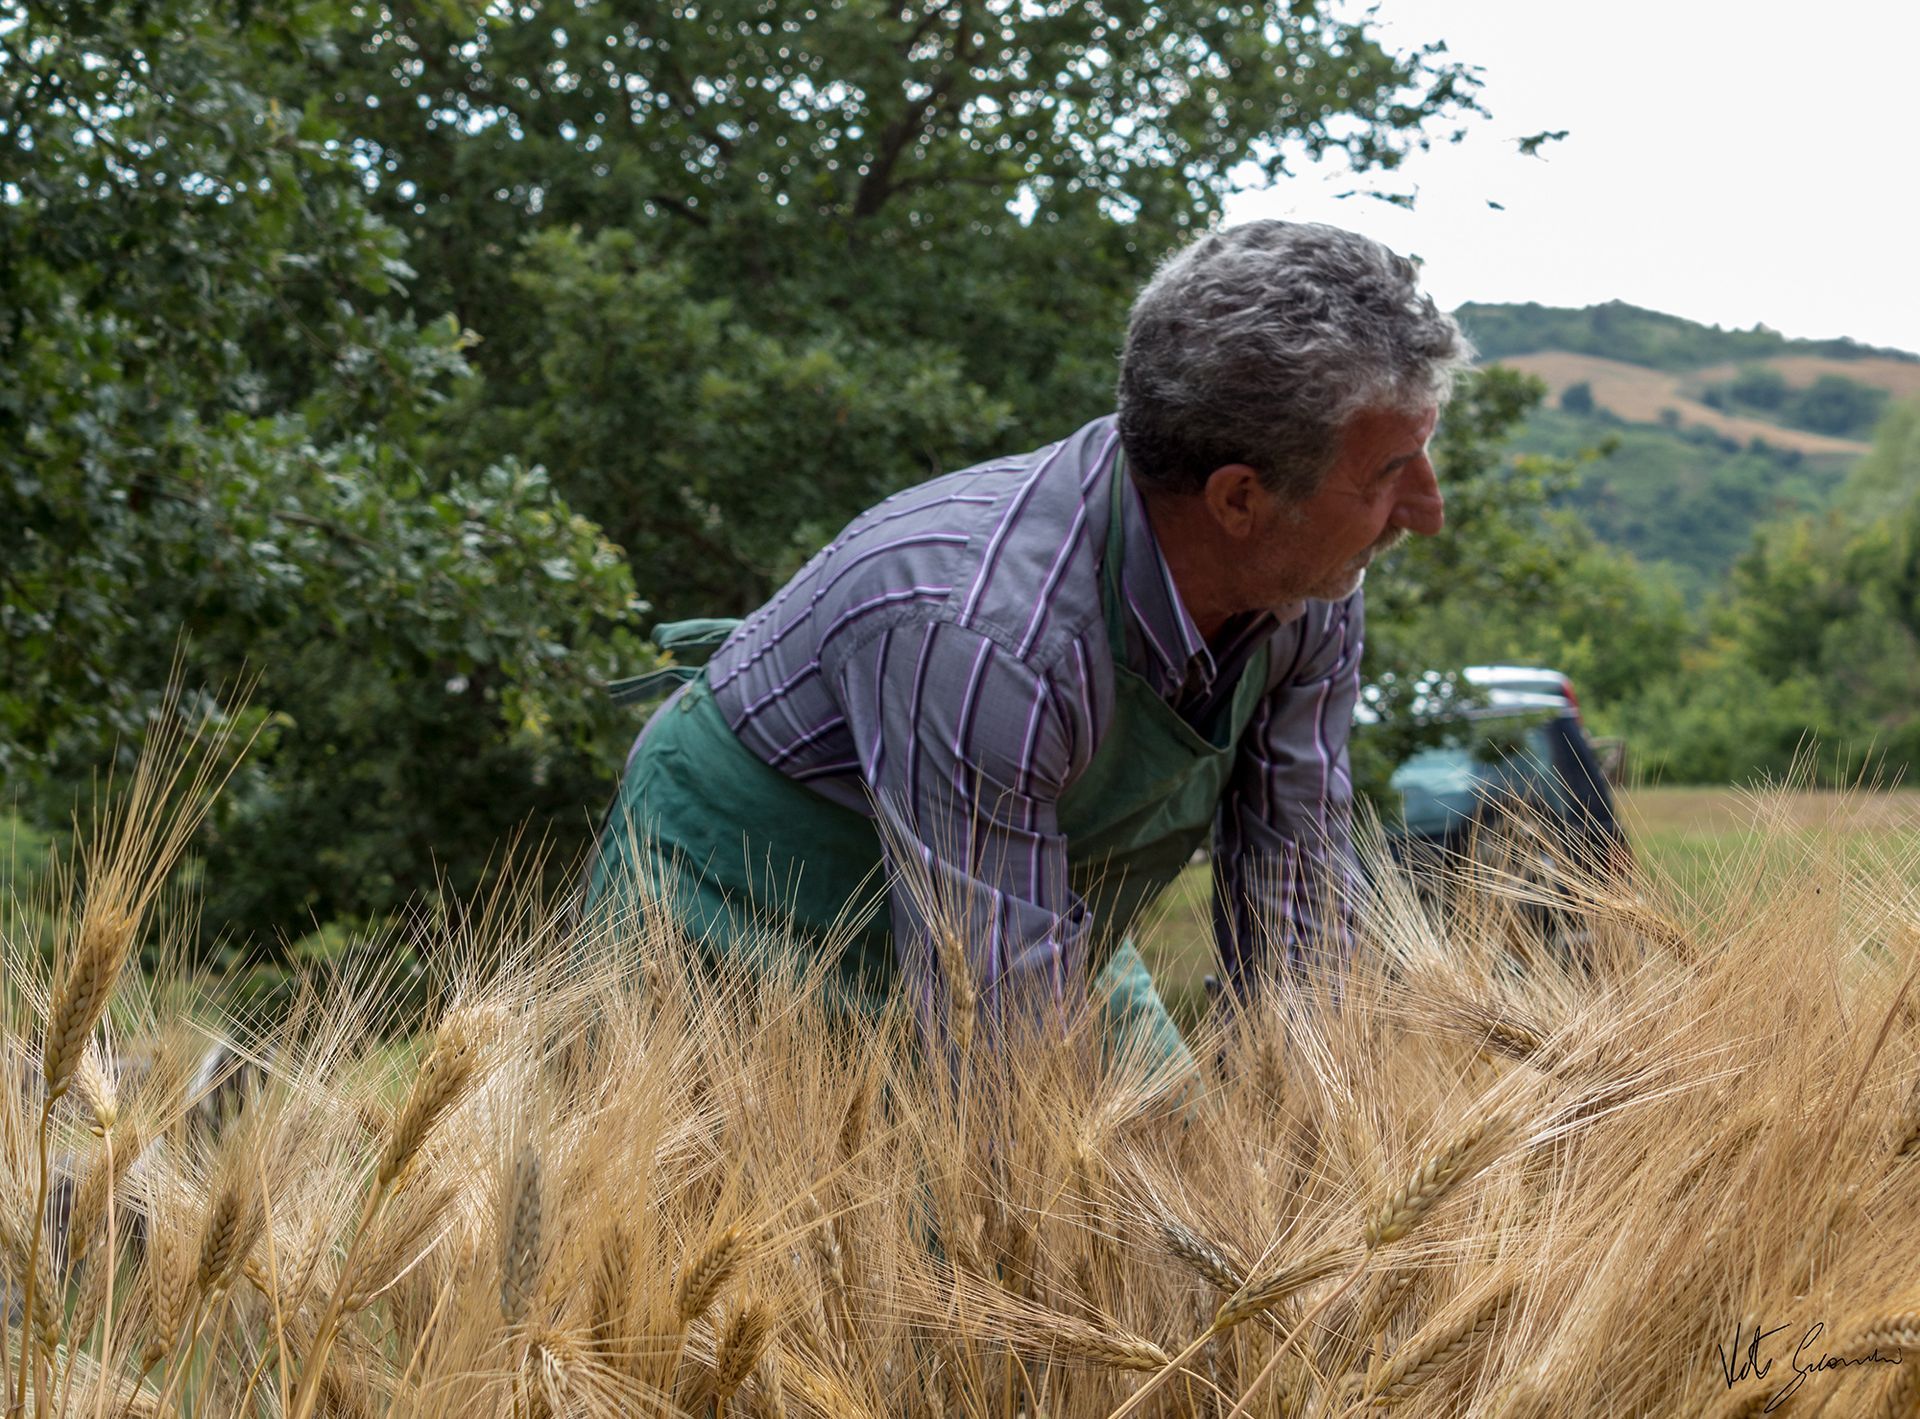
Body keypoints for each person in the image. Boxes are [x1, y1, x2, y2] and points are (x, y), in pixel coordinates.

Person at [587, 220, 1470, 1069]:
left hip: (1012, 887)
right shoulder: (991, 636)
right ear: (1239, 501)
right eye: (1392, 474)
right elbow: (1004, 1069)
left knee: (1167, 1170)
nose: (1427, 514)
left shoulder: (1308, 578)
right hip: (745, 901)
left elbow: (1300, 888)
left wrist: (1325, 1145)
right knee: (784, 1212)